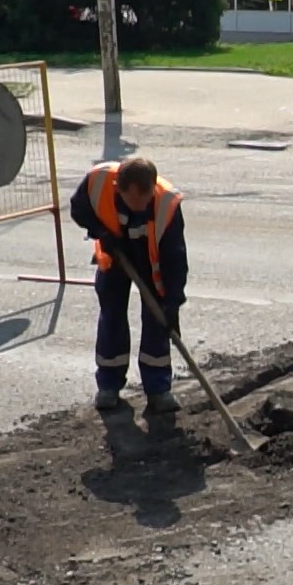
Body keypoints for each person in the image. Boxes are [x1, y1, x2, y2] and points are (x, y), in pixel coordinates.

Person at [68, 157, 189, 413]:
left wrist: (173, 302)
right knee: (112, 317)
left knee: (157, 323)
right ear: (117, 187)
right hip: (115, 257)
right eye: (130, 201)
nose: (136, 207)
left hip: (151, 263)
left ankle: (158, 390)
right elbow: (79, 209)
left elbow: (175, 258)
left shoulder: (167, 204)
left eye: (142, 202)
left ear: (152, 189)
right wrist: (100, 232)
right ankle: (109, 386)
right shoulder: (98, 182)